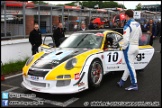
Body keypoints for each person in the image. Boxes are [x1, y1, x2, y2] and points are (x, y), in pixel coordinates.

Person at [117, 9, 142, 91]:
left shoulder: (127, 25)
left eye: (125, 16)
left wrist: (122, 47)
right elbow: (140, 35)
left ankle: (134, 84)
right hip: (136, 46)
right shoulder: (138, 24)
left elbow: (126, 40)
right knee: (129, 65)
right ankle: (122, 81)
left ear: (127, 16)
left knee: (130, 66)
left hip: (129, 48)